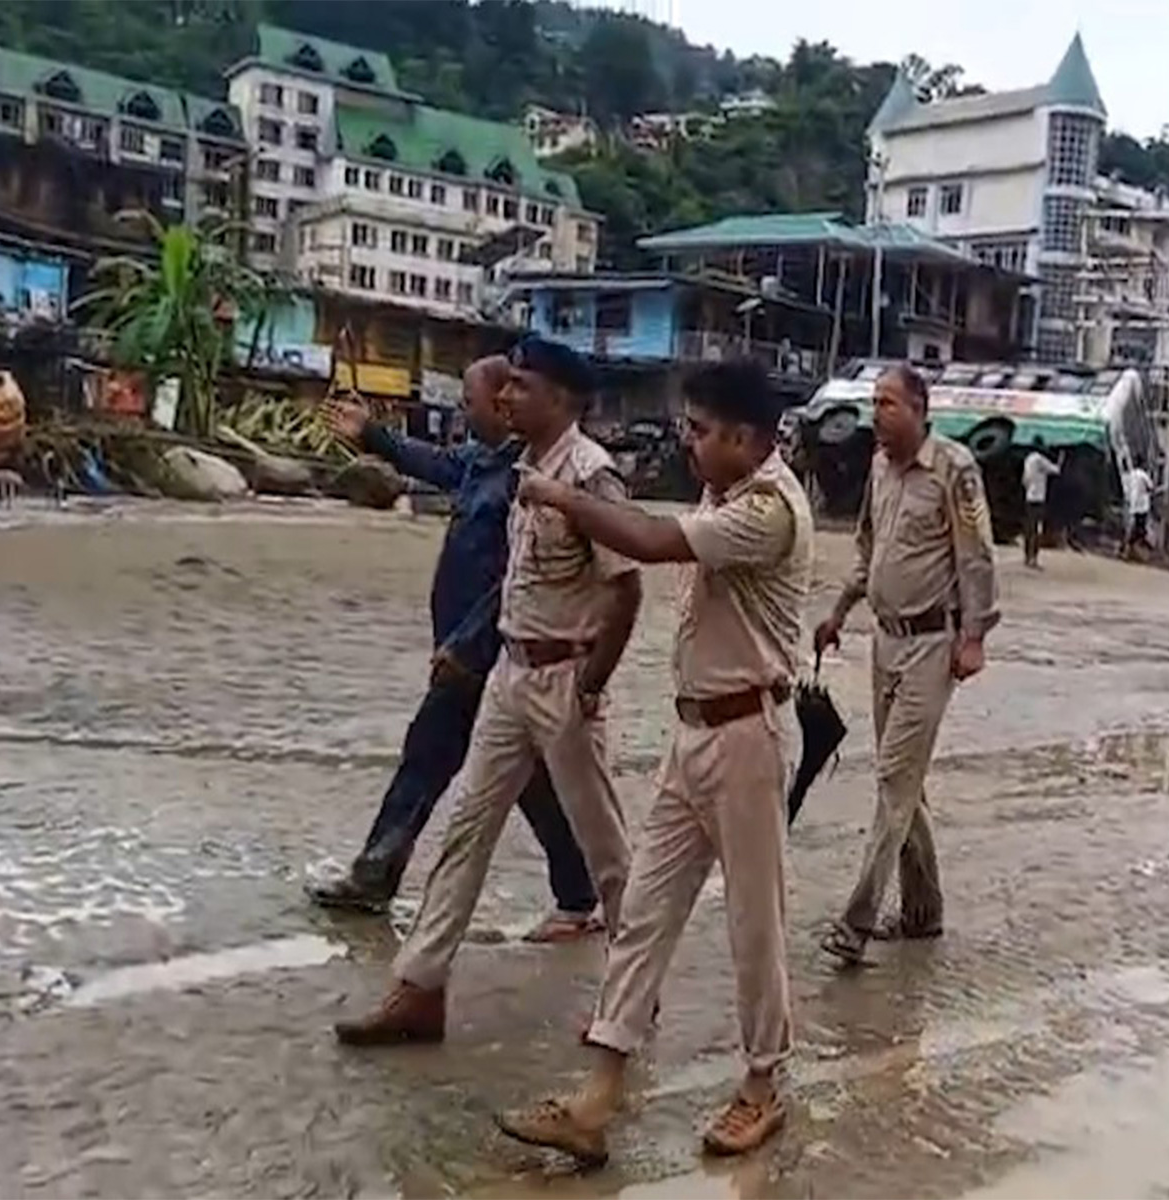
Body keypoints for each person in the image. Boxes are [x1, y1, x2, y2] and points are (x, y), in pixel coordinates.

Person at [494, 360, 814, 1163]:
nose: (688, 444)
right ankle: (596, 1095)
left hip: (751, 734)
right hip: (697, 729)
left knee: (754, 924)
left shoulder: (769, 511)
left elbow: (646, 540)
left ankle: (763, 1084)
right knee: (640, 912)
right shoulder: (727, 492)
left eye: (700, 431)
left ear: (744, 438)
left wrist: (562, 495)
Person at [333, 337, 641, 1045]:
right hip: (509, 673)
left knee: (608, 853)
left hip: (564, 680)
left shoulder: (592, 478)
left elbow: (626, 590)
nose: (506, 398)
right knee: (467, 829)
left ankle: (633, 996)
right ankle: (419, 988)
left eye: (521, 387)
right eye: (503, 389)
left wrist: (591, 685)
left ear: (562, 400)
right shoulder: (519, 466)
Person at [308, 358, 601, 943]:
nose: (464, 414)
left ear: (502, 406)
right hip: (470, 658)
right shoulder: (483, 464)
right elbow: (433, 464)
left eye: (471, 403)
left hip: (490, 658)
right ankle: (579, 894)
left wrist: (467, 645)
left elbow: (517, 581)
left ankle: (382, 878)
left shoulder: (536, 477)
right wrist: (372, 435)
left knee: (445, 763)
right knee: (511, 779)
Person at [813, 364, 999, 967]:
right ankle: (924, 911)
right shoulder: (877, 468)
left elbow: (976, 557)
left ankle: (856, 921)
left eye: (889, 403)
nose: (878, 414)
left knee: (894, 777)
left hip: (930, 644)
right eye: (874, 403)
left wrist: (973, 637)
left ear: (920, 409)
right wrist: (839, 610)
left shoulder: (954, 469)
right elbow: (870, 548)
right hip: (884, 641)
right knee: (904, 781)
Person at [1020, 440, 1062, 568]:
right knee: (1038, 530)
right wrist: (1060, 461)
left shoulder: (1028, 460)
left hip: (1029, 498)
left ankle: (1027, 556)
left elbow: (1024, 480)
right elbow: (1055, 470)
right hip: (1039, 499)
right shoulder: (1040, 460)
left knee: (1029, 529)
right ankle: (1033, 558)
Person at [1121, 460, 1154, 559]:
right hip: (1142, 506)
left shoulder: (1131, 475)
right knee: (1140, 528)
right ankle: (1133, 546)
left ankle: (1128, 548)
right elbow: (1151, 487)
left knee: (1133, 527)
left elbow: (1126, 488)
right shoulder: (1143, 475)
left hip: (1132, 504)